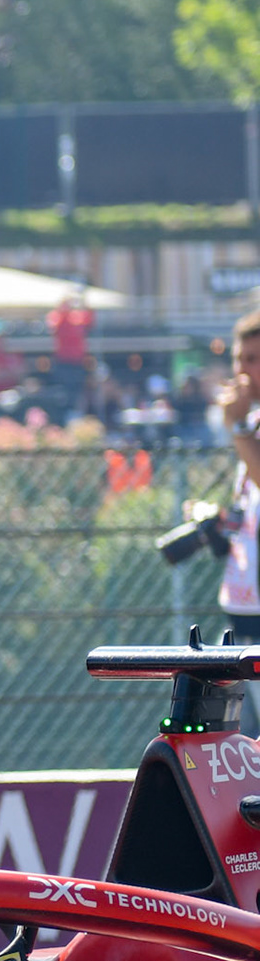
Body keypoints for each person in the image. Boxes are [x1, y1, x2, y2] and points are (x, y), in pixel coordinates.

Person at [218, 310, 260, 737]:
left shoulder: (243, 426)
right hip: (241, 612)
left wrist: (234, 424)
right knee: (233, 744)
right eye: (239, 358)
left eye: (253, 358)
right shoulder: (251, 423)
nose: (242, 371)